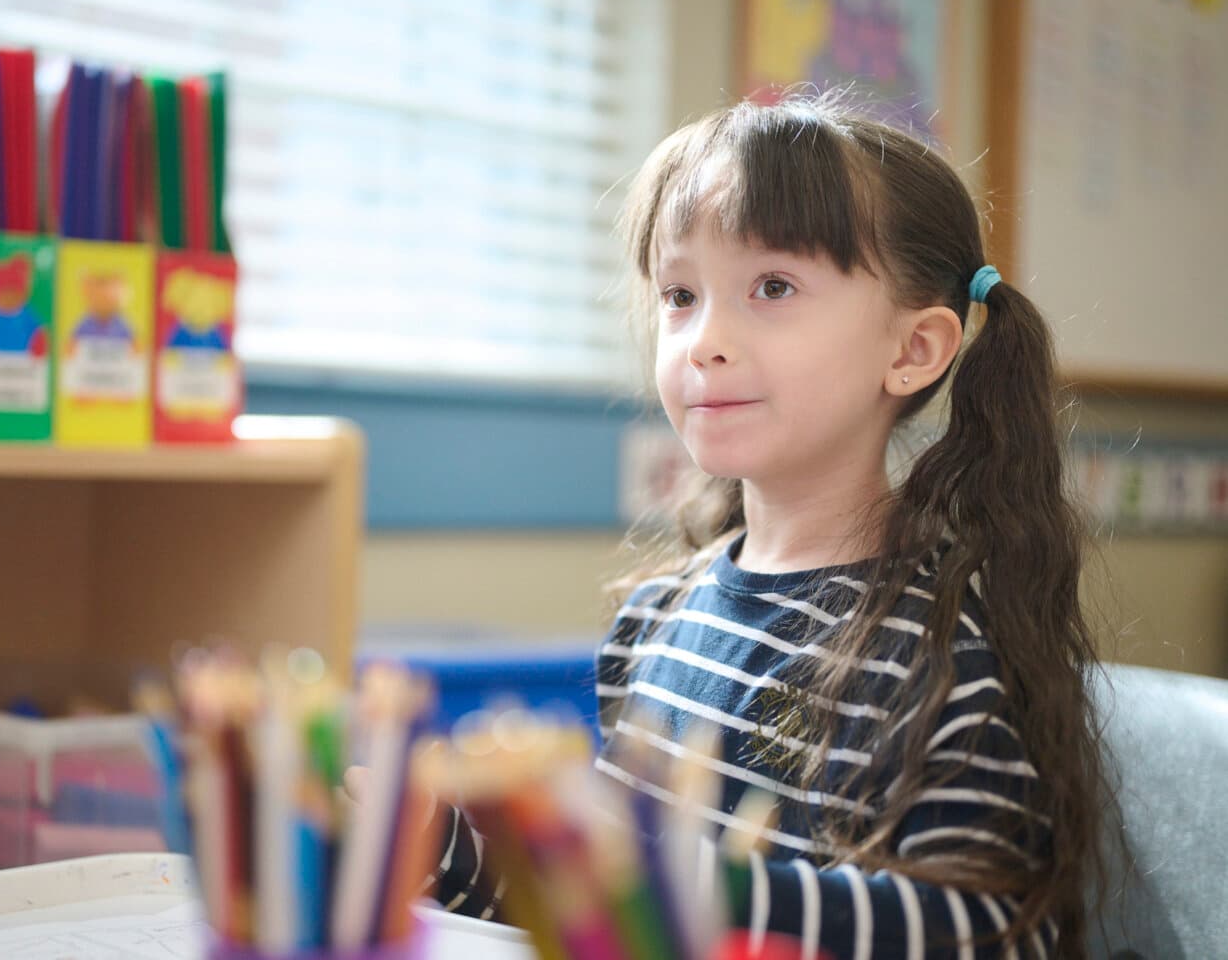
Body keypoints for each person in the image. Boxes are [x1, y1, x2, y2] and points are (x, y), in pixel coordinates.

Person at [356, 94, 1108, 958]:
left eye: (773, 287)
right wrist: (446, 848)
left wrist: (685, 885)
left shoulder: (940, 655)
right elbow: (614, 915)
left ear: (914, 351)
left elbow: (988, 932)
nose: (703, 339)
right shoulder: (656, 622)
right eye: (680, 295)